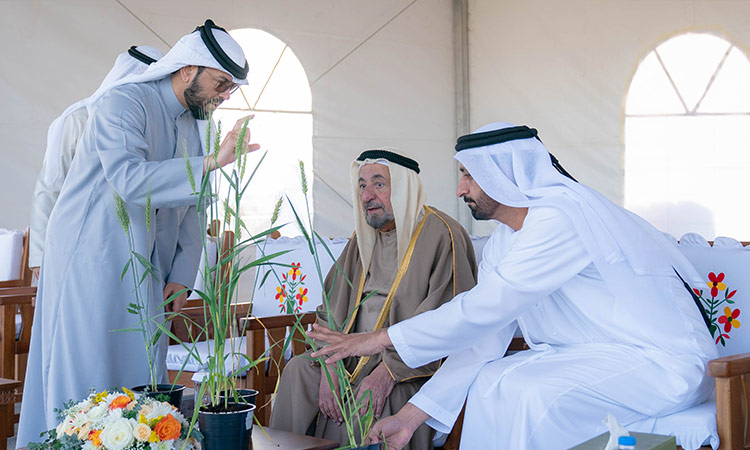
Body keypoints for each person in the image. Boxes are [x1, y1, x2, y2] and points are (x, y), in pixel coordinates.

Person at [310, 123, 718, 450]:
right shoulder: (507, 238)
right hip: (586, 357)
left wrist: (378, 339)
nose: (459, 189)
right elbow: (483, 338)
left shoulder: (560, 217)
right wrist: (409, 418)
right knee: (491, 382)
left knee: (533, 394)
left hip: (661, 362)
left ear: (502, 174)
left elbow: (483, 308)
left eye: (469, 175)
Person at [17, 19, 258, 446]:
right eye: (221, 84)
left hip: (150, 269)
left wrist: (184, 272)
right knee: (88, 372)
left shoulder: (193, 122)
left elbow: (194, 205)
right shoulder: (123, 102)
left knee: (142, 374)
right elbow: (128, 179)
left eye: (231, 90)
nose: (224, 97)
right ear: (188, 70)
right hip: (91, 264)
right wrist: (211, 163)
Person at [270, 149, 478, 449]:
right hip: (349, 359)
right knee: (299, 372)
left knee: (374, 397)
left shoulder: (441, 234)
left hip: (410, 367)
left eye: (379, 184)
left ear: (404, 188)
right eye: (362, 186)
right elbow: (329, 309)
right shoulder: (362, 239)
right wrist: (330, 366)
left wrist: (388, 371)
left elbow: (448, 322)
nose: (367, 195)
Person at [28, 46, 164, 280]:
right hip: (76, 248)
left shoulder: (154, 131)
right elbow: (50, 187)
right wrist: (41, 258)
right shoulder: (79, 119)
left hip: (134, 252)